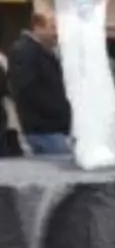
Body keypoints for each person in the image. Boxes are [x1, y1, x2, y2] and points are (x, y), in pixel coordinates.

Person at [8, 11, 71, 155]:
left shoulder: (42, 51)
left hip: (52, 128)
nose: (57, 33)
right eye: (52, 27)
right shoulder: (25, 51)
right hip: (44, 129)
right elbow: (27, 90)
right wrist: (57, 111)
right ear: (37, 27)